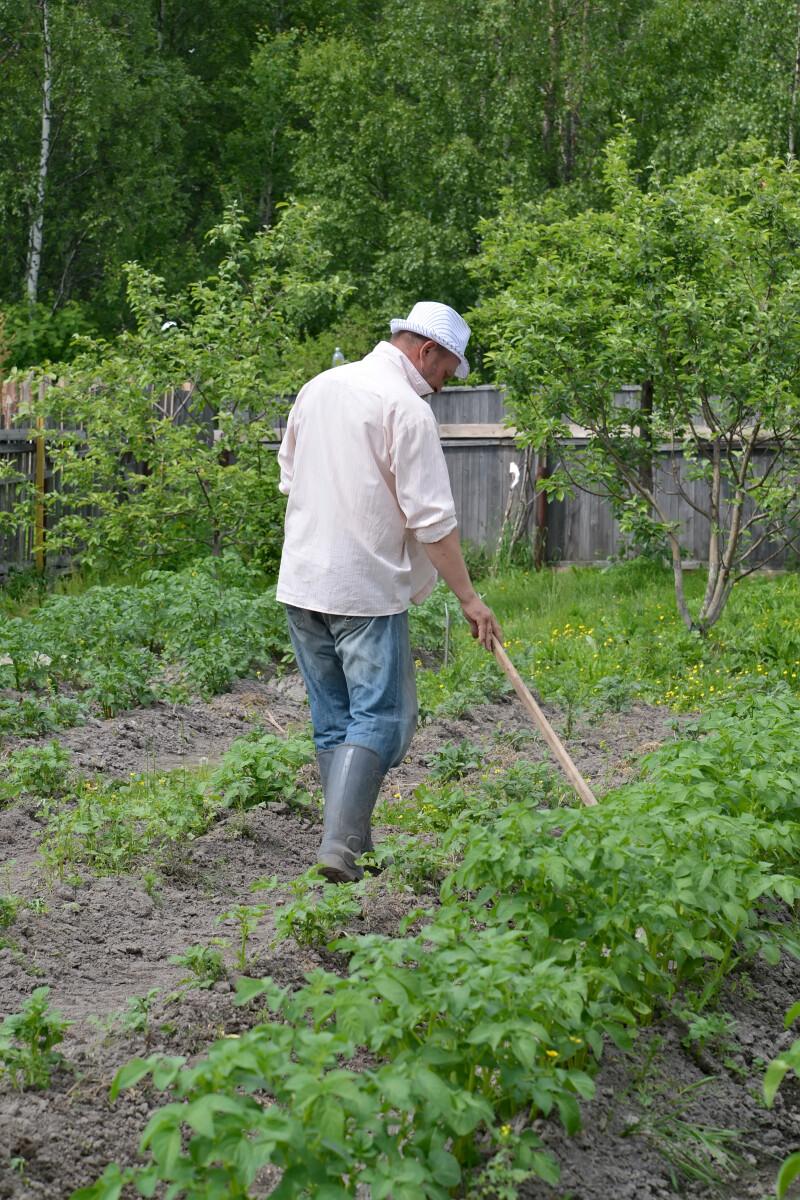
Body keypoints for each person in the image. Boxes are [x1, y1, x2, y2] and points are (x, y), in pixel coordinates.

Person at [276, 301, 502, 882]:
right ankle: (341, 849)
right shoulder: (405, 407)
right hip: (362, 587)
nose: (444, 386)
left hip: (302, 582)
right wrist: (469, 598)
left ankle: (354, 848)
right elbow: (432, 519)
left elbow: (289, 477)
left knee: (334, 720)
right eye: (447, 372)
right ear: (425, 351)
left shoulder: (319, 387)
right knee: (384, 718)